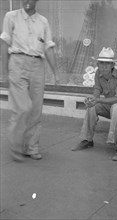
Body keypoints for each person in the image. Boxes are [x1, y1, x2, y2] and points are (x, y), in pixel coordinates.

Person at [0, 0, 60, 161]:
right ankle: (16, 146)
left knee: (35, 110)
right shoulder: (11, 17)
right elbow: (4, 43)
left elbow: (48, 47)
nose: (27, 1)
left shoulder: (43, 21)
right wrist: (4, 72)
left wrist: (56, 72)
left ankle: (31, 147)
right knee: (23, 108)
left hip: (38, 65)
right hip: (17, 62)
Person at [71, 47, 117, 161]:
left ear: (113, 65)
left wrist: (98, 100)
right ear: (98, 64)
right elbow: (97, 90)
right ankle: (87, 140)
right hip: (111, 107)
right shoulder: (98, 74)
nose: (104, 66)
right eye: (102, 63)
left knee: (116, 107)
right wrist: (92, 99)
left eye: (107, 63)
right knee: (92, 107)